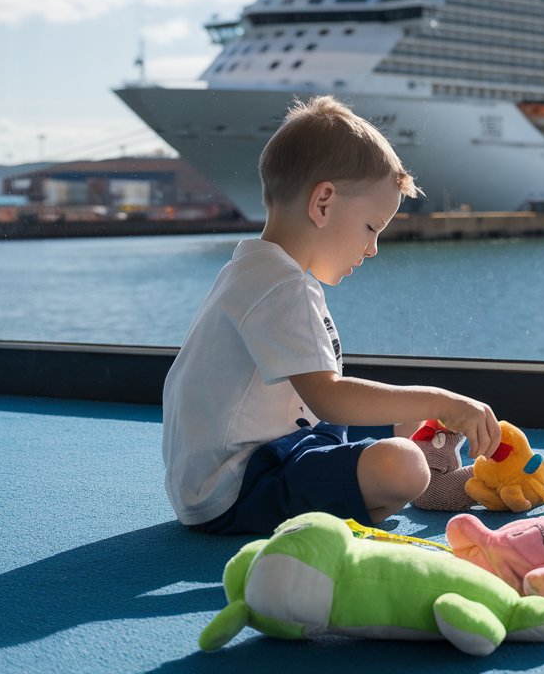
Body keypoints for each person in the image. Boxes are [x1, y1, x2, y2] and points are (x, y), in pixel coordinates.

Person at [162, 95, 502, 535]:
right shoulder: (281, 287)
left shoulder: (255, 269)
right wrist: (439, 399)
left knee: (401, 422)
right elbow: (328, 397)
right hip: (240, 486)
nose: (373, 248)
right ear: (323, 202)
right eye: (370, 228)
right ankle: (397, 485)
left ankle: (368, 482)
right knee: (404, 466)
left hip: (236, 466)